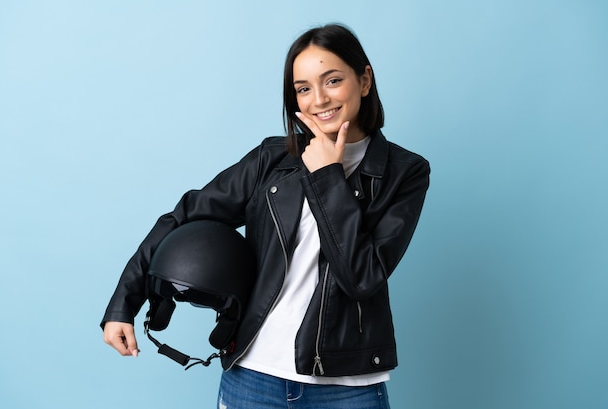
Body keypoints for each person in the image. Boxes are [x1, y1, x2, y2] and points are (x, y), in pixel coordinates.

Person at [102, 23, 430, 409]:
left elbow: (361, 278)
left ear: (364, 80)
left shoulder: (404, 172)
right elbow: (185, 214)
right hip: (253, 378)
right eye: (304, 88)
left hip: (347, 387)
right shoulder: (272, 160)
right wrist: (125, 302)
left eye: (333, 80)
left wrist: (327, 175)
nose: (319, 99)